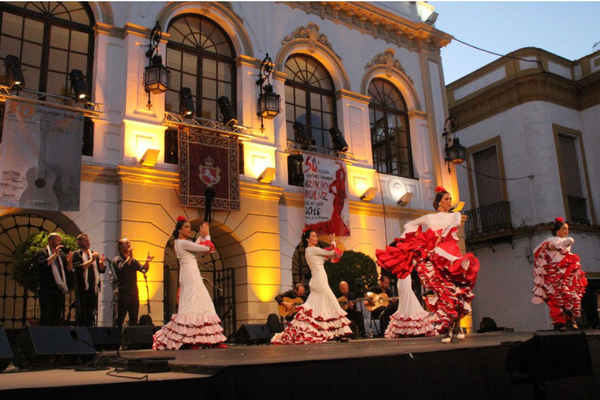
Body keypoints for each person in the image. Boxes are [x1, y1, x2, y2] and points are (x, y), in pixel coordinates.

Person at [376, 186, 480, 343]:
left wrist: (438, 236)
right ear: (439, 203)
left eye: (450, 199)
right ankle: (451, 329)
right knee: (443, 292)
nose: (450, 201)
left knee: (455, 291)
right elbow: (409, 224)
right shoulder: (430, 218)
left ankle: (456, 326)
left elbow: (451, 228)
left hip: (450, 254)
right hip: (436, 255)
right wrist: (415, 237)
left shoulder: (455, 215)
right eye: (446, 199)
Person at [153, 217, 227, 349]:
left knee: (200, 303)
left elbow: (199, 244)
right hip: (190, 274)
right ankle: (190, 339)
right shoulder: (181, 243)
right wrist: (207, 234)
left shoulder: (184, 243)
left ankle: (198, 339)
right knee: (195, 303)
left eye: (189, 227)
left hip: (191, 273)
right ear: (179, 230)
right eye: (186, 227)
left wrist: (203, 235)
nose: (189, 229)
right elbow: (206, 249)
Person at [271, 230, 352, 344]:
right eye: (313, 236)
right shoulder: (312, 250)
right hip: (319, 281)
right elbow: (331, 253)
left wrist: (333, 245)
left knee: (317, 308)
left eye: (316, 236)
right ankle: (339, 333)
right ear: (307, 239)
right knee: (333, 303)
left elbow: (330, 255)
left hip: (319, 281)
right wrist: (332, 241)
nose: (316, 238)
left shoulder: (312, 251)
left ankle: (332, 333)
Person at [532, 217, 587, 330]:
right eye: (564, 229)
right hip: (555, 273)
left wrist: (553, 245)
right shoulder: (550, 240)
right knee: (557, 298)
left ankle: (572, 320)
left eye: (567, 229)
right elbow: (536, 251)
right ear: (558, 230)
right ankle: (560, 322)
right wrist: (548, 247)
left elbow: (569, 241)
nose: (567, 231)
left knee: (571, 295)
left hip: (568, 272)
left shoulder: (562, 240)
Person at [112, 237, 154, 330]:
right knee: (120, 319)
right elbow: (122, 268)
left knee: (134, 319)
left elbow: (143, 269)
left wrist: (147, 262)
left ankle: (131, 342)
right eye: (126, 243)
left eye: (129, 243)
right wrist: (129, 257)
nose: (128, 244)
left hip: (134, 294)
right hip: (122, 294)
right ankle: (117, 341)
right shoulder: (117, 259)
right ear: (120, 246)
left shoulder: (133, 261)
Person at [34, 233, 73, 326]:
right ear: (51, 241)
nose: (61, 242)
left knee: (56, 315)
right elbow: (42, 265)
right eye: (58, 240)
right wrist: (55, 254)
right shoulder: (41, 253)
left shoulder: (62, 256)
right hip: (46, 288)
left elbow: (69, 270)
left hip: (58, 289)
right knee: (46, 315)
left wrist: (69, 261)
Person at [72, 234, 106, 327]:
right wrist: (91, 260)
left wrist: (101, 263)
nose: (88, 242)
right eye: (85, 240)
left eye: (88, 240)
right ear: (78, 242)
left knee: (91, 313)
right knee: (83, 313)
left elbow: (101, 270)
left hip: (93, 288)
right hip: (82, 288)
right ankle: (82, 332)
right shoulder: (76, 254)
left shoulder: (92, 253)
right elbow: (78, 268)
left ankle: (90, 333)